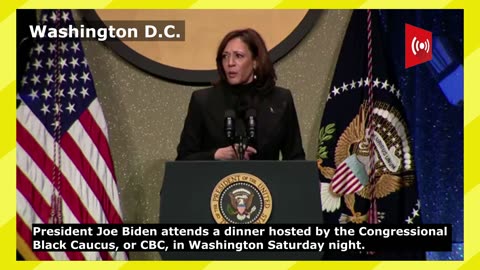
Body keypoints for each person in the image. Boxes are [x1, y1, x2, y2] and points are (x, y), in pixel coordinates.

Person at [176, 28, 305, 161]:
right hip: (215, 180)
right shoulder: (203, 100)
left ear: (256, 61)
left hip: (267, 181)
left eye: (238, 56)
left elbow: (295, 158)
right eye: (225, 56)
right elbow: (183, 159)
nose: (230, 63)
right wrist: (216, 155)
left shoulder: (280, 100)